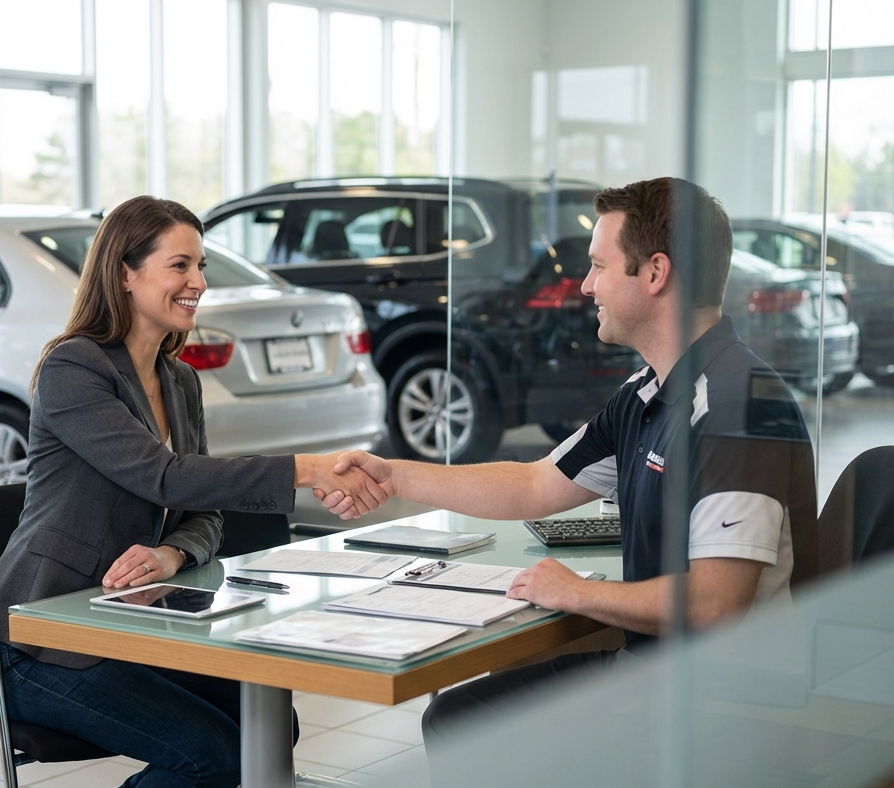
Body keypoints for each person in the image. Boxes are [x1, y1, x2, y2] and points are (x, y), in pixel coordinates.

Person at [0, 196, 387, 788]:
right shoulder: (74, 369)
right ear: (125, 274)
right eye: (179, 264)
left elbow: (201, 513)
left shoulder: (178, 379)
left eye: (199, 264)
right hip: (32, 640)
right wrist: (308, 470)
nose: (197, 279)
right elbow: (162, 474)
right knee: (210, 752)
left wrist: (169, 556)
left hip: (123, 626)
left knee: (265, 729)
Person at [321, 177, 818, 744]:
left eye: (600, 267)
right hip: (666, 678)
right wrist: (394, 474)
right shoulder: (647, 394)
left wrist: (574, 591)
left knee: (467, 727)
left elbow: (714, 605)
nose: (586, 286)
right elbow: (535, 485)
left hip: (728, 705)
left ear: (655, 274)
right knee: (468, 716)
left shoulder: (737, 406)